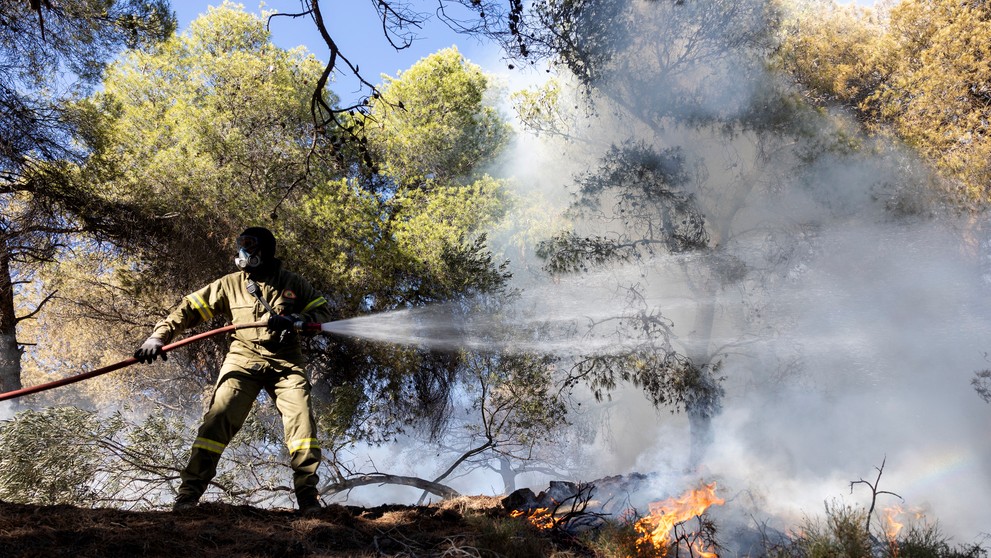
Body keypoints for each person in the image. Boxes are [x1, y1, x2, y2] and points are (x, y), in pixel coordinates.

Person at [134, 226, 334, 514]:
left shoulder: (292, 282)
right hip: (243, 358)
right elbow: (189, 308)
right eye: (241, 245)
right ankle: (187, 497)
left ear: (265, 251)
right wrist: (158, 336)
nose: (243, 252)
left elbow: (322, 312)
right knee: (218, 420)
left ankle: (307, 499)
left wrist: (296, 318)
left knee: (302, 423)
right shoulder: (229, 284)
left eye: (249, 246)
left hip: (286, 362)